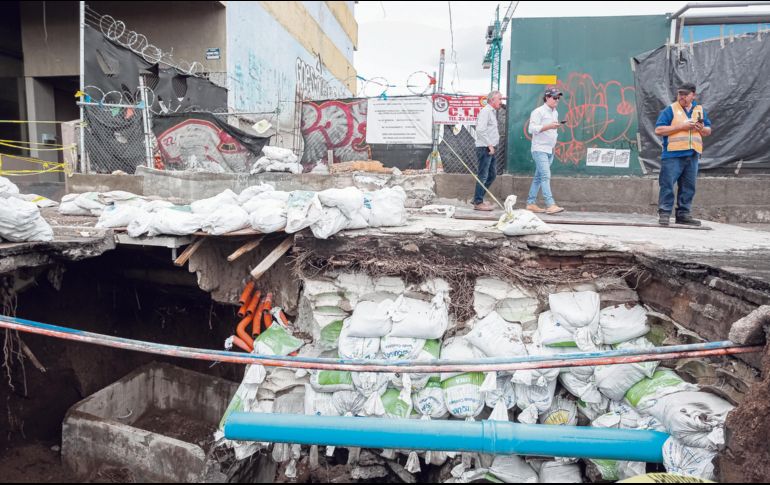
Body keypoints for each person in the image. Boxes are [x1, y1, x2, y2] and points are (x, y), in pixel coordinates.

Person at [654, 82, 712, 226]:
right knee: (667, 184)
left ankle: (683, 215)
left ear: (693, 95)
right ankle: (664, 213)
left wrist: (701, 128)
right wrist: (682, 126)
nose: (682, 97)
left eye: (686, 94)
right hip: (673, 155)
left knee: (688, 187)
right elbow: (659, 130)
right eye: (680, 94)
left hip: (692, 155)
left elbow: (708, 131)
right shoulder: (670, 109)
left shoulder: (699, 110)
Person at [526, 87, 565, 214]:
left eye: (558, 98)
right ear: (547, 98)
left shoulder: (555, 112)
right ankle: (550, 204)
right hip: (539, 149)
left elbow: (552, 130)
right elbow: (531, 129)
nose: (557, 100)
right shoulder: (538, 112)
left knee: (538, 177)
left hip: (549, 149)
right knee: (545, 176)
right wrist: (549, 126)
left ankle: (531, 203)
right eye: (555, 97)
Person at [472, 91, 503, 211]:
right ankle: (478, 202)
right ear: (492, 100)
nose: (501, 102)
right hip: (485, 148)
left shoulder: (492, 112)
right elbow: (480, 130)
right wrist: (489, 145)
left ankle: (477, 198)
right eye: (499, 99)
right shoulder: (486, 111)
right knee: (483, 175)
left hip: (491, 147)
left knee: (492, 175)